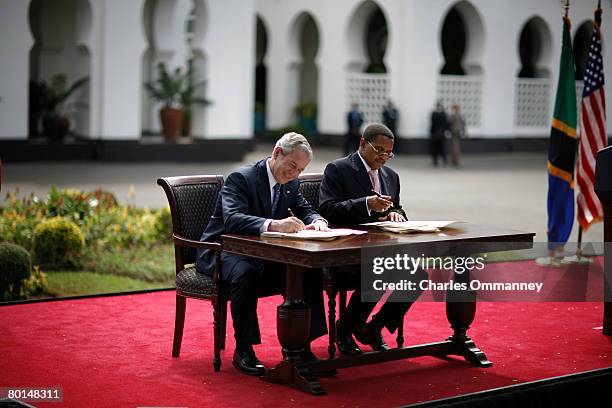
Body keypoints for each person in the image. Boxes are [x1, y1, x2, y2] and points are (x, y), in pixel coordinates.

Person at [195, 132, 330, 376]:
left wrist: (317, 220)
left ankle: (302, 348)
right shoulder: (241, 178)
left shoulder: (291, 182)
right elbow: (233, 220)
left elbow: (305, 208)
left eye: (300, 170)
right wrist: (274, 224)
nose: (295, 174)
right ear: (277, 153)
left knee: (307, 268)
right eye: (292, 166)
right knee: (245, 274)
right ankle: (244, 350)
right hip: (222, 251)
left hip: (260, 253)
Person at [319, 123, 427, 355]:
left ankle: (373, 328)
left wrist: (397, 214)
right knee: (379, 270)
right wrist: (366, 204)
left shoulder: (391, 175)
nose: (384, 157)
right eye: (379, 150)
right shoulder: (338, 169)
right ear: (362, 144)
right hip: (344, 251)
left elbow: (397, 208)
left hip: (381, 248)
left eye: (389, 153)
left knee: (418, 274)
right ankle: (345, 330)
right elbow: (327, 210)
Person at [429, 101, 450, 166]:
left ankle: (436, 160)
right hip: (441, 133)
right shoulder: (444, 114)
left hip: (435, 133)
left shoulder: (434, 113)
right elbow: (446, 124)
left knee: (435, 147)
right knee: (441, 147)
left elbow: (432, 123)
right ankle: (444, 159)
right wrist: (446, 131)